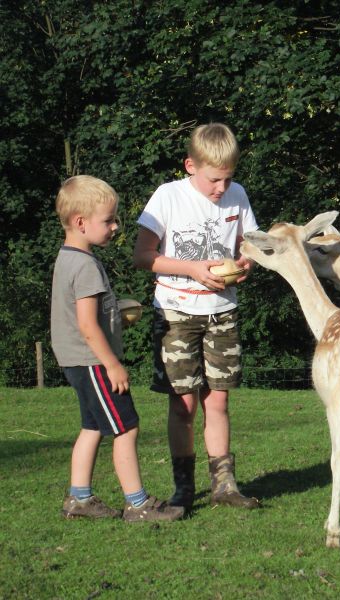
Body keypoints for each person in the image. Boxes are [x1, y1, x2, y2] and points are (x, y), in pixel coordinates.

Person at [133, 122, 259, 511]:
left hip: (222, 312)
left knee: (217, 402)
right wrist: (192, 270)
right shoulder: (167, 196)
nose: (222, 189)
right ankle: (183, 489)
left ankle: (224, 486)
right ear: (191, 165)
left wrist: (245, 263)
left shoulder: (237, 195)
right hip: (176, 312)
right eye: (214, 180)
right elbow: (142, 256)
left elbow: (250, 244)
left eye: (228, 179)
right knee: (182, 404)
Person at [51, 175, 184, 523]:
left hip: (76, 360)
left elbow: (85, 317)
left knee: (93, 426)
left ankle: (79, 499)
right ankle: (137, 504)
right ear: (81, 223)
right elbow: (86, 325)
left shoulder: (68, 258)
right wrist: (112, 364)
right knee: (126, 427)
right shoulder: (85, 266)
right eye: (108, 220)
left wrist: (116, 317)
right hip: (94, 361)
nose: (115, 227)